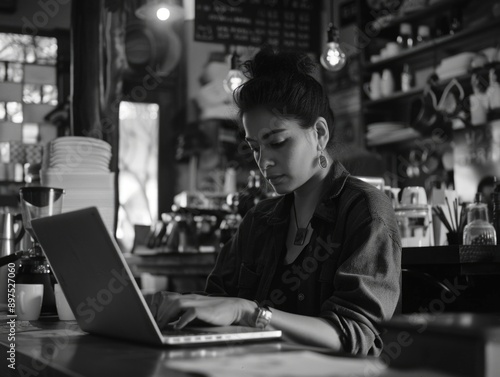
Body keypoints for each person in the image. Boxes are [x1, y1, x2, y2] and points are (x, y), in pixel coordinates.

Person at [149, 47, 401, 356]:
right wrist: (179, 305)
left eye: (277, 142)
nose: (263, 162)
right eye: (255, 147)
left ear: (319, 133)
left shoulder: (365, 211)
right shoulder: (259, 220)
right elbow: (218, 301)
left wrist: (250, 313)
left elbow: (354, 334)